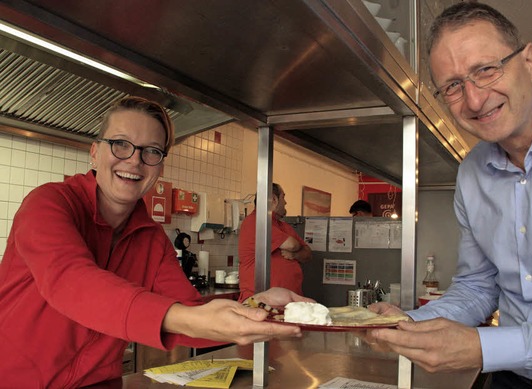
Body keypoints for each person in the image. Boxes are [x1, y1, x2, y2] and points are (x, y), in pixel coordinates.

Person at [368, 2, 532, 388]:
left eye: (485, 70)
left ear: (529, 63)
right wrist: (408, 323)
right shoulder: (472, 171)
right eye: (453, 86)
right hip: (510, 379)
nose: (475, 100)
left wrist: (484, 347)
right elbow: (478, 287)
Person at [0, 96, 311, 388]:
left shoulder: (151, 239)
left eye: (151, 151)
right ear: (94, 152)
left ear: (160, 167)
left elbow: (191, 319)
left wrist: (260, 306)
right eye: (120, 144)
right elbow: (70, 280)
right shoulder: (49, 202)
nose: (135, 160)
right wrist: (187, 318)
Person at [238, 183, 313, 302]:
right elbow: (292, 244)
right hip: (261, 301)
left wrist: (295, 254)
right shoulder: (256, 221)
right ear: (274, 199)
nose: (286, 202)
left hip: (289, 301)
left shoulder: (283, 226)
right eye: (283, 197)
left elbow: (308, 253)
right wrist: (296, 248)